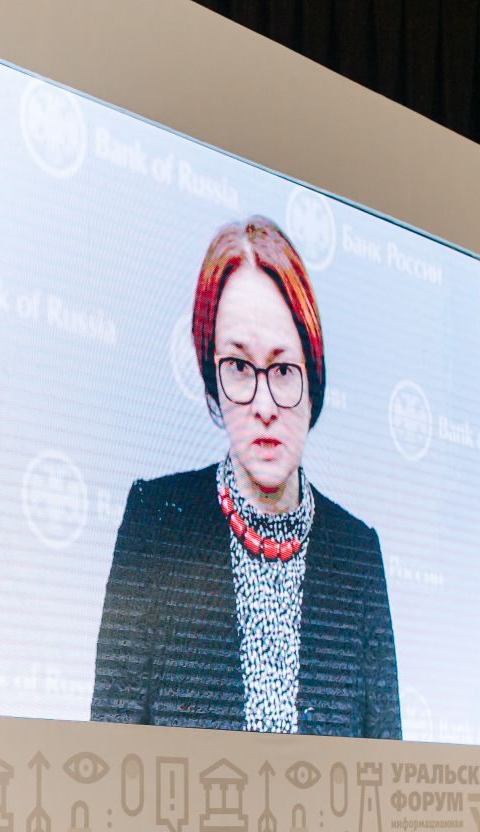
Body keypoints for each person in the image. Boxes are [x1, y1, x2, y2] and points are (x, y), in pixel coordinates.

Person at [90, 215, 400, 737]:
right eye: (238, 366)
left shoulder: (357, 554)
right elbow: (107, 753)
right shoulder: (155, 524)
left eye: (283, 370)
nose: (264, 405)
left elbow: (389, 767)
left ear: (313, 377)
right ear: (212, 377)